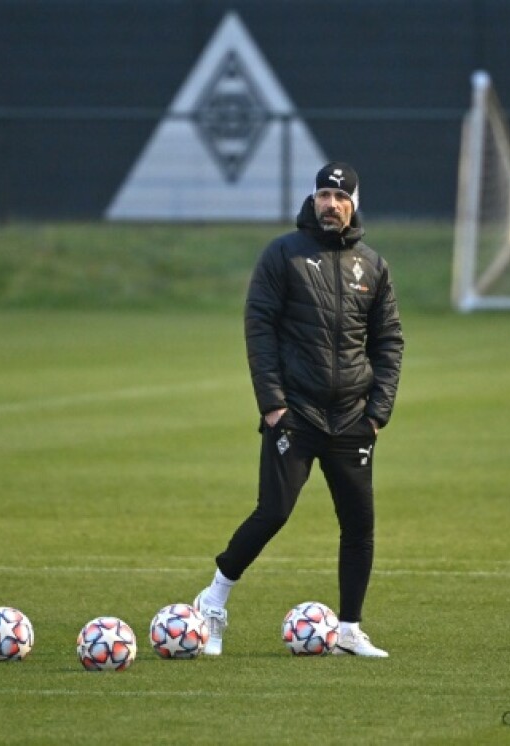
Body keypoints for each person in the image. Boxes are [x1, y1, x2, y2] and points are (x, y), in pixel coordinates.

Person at [194, 161, 404, 657]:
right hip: (297, 413)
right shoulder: (283, 254)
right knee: (273, 512)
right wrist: (273, 405)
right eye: (323, 195)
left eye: (340, 197)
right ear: (313, 200)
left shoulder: (372, 266)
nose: (331, 204)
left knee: (359, 526)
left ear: (354, 205)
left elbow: (389, 341)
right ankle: (213, 600)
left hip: (352, 417)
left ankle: (348, 630)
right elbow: (259, 329)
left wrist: (377, 413)